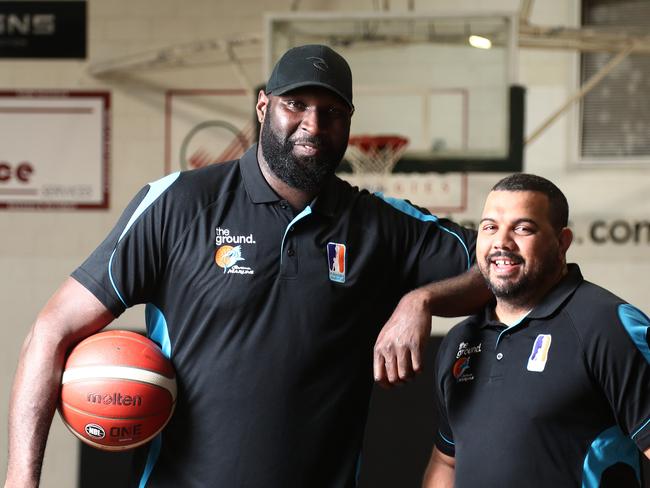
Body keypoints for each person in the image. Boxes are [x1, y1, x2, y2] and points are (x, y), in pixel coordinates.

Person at [5, 44, 490, 488]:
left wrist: (423, 298)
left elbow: (499, 269)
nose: (313, 125)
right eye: (294, 105)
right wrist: (21, 482)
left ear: (349, 121)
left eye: (331, 111)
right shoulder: (178, 204)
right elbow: (51, 331)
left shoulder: (380, 226)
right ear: (264, 107)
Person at [423, 173, 650, 488]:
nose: (502, 242)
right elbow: (447, 461)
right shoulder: (460, 341)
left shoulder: (608, 324)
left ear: (561, 243)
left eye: (522, 228)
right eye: (490, 227)